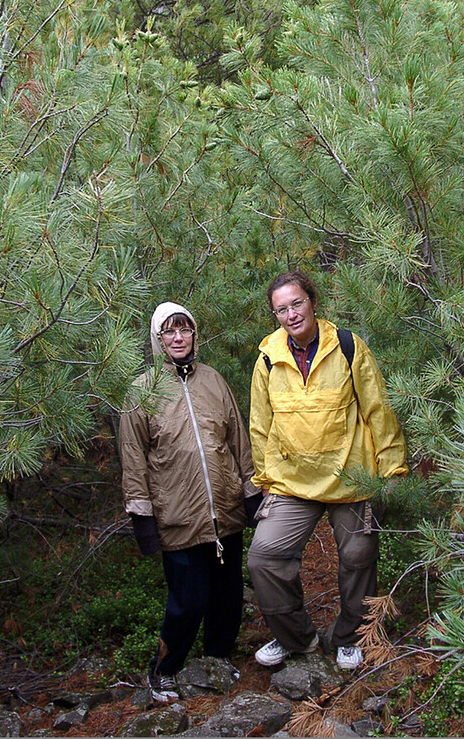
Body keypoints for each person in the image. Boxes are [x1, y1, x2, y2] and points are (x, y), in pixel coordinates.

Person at [247, 271, 407, 671]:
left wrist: (391, 472)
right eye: (281, 309)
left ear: (313, 302)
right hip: (291, 480)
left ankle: (350, 637)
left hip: (351, 476)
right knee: (264, 558)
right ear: (275, 315)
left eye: (296, 303)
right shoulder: (268, 358)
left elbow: (377, 411)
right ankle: (296, 638)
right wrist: (265, 480)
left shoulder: (348, 347)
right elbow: (260, 424)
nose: (290, 314)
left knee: (358, 554)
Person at [119, 302, 261, 702]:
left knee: (227, 594)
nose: (178, 338)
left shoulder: (214, 381)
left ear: (194, 334)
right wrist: (142, 518)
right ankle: (165, 670)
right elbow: (132, 459)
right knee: (187, 599)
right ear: (158, 340)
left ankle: (217, 657)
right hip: (178, 516)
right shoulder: (141, 391)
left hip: (226, 512)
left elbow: (238, 442)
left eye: (184, 330)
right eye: (169, 332)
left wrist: (250, 493)